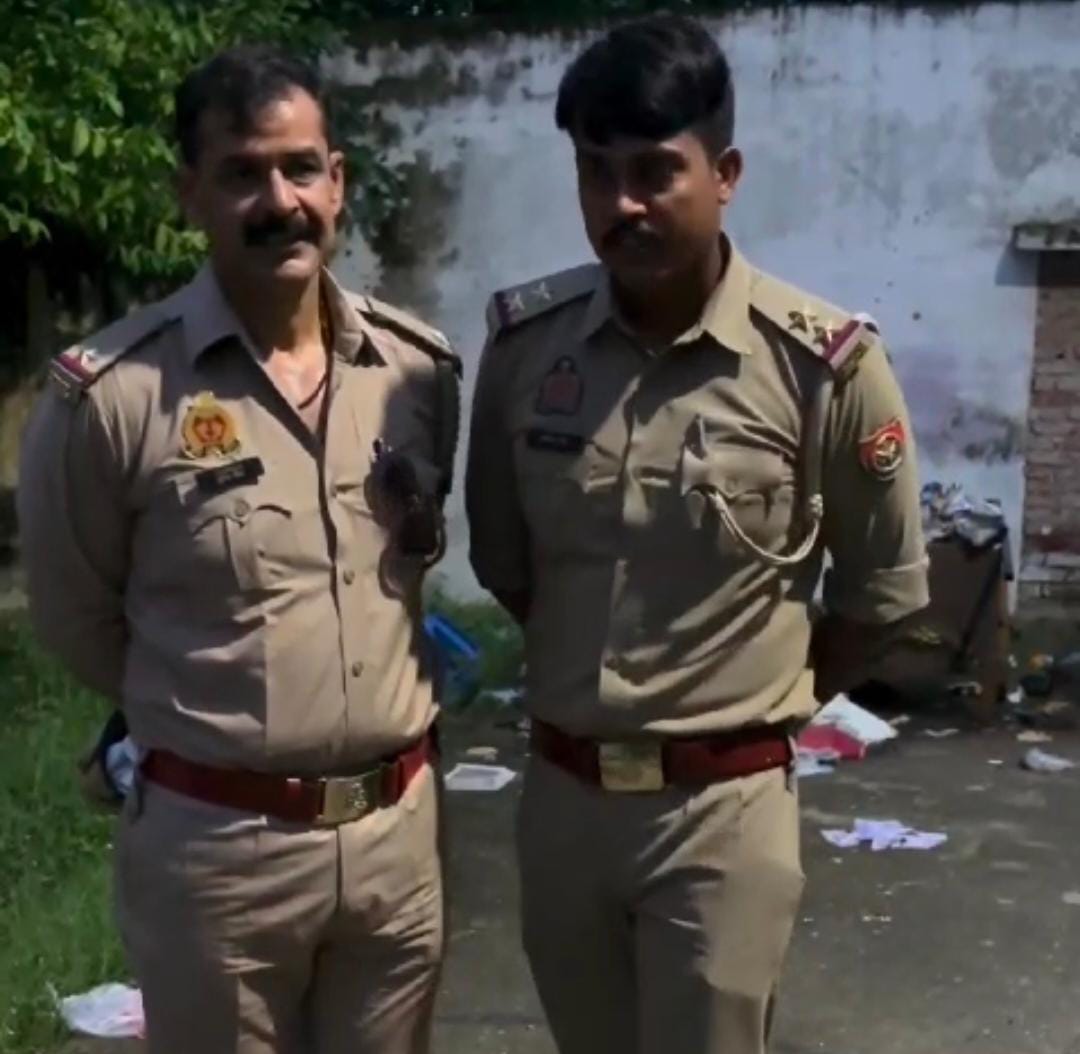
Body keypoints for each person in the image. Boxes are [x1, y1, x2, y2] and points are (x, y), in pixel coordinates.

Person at [465, 15, 928, 1054]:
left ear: (725, 174)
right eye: (596, 173)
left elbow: (881, 595)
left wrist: (753, 706)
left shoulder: (823, 368)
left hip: (722, 812)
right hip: (565, 803)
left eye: (653, 172)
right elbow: (507, 562)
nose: (621, 204)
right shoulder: (525, 350)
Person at [17, 44, 460, 1054]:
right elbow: (79, 620)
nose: (279, 202)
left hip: (397, 846)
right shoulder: (115, 396)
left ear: (337, 181)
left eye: (301, 168)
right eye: (243, 174)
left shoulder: (414, 372)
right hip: (219, 855)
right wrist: (218, 715)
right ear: (191, 194)